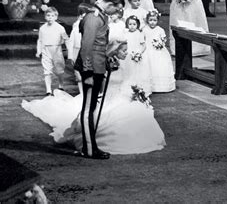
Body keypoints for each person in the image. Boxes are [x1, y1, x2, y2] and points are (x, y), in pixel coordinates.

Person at [22, 40, 166, 155]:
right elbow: (102, 88)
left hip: (122, 97)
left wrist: (135, 94)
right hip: (107, 98)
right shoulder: (105, 67)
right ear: (115, 51)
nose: (126, 53)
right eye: (123, 50)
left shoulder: (126, 64)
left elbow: (128, 81)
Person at [74, 0, 122, 159]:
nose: (115, 12)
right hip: (91, 69)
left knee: (92, 107)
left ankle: (91, 144)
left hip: (98, 66)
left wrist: (107, 58)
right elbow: (86, 47)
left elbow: (99, 45)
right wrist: (87, 73)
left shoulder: (100, 15)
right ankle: (89, 149)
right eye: (116, 8)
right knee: (88, 109)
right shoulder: (93, 17)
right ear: (109, 3)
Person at [36, 7, 69, 96]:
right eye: (48, 15)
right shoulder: (43, 28)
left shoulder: (60, 28)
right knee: (47, 70)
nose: (50, 17)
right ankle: (48, 90)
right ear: (45, 17)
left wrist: (69, 49)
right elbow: (40, 40)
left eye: (52, 16)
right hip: (46, 50)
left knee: (59, 70)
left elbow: (66, 39)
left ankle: (61, 85)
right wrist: (39, 51)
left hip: (57, 50)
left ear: (56, 17)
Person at [143, 10, 175, 93]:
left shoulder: (160, 30)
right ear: (147, 20)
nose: (152, 22)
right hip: (148, 49)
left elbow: (164, 38)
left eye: (154, 20)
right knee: (148, 64)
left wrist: (161, 43)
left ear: (157, 21)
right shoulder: (145, 29)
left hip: (158, 51)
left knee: (160, 66)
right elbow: (143, 39)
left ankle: (161, 87)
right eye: (150, 20)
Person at [67, 3, 94, 95]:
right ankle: (81, 93)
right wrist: (70, 56)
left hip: (87, 52)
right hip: (76, 51)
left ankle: (88, 91)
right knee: (78, 74)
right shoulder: (75, 29)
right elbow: (71, 43)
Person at [123, 15, 151, 94]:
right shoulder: (126, 33)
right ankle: (128, 86)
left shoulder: (139, 33)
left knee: (136, 71)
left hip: (136, 53)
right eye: (130, 24)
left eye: (134, 24)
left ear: (137, 25)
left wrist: (139, 53)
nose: (132, 26)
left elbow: (143, 45)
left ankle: (137, 86)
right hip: (128, 53)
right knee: (127, 70)